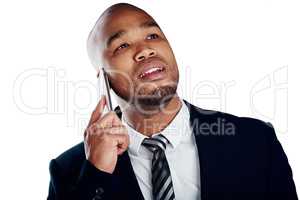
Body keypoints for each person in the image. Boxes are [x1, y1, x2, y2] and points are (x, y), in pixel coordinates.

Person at [47, 3, 298, 200]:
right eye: (122, 45)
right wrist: (95, 175)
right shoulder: (70, 170)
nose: (145, 50)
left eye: (153, 36)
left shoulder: (255, 141)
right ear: (102, 78)